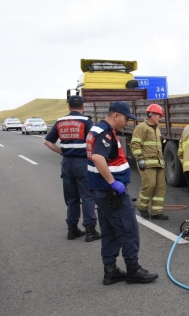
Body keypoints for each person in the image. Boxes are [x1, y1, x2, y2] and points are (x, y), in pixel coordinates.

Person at [87, 101, 158, 285]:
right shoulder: (105, 133)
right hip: (112, 193)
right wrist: (113, 182)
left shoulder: (97, 130)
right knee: (129, 230)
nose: (127, 122)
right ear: (116, 115)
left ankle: (110, 270)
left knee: (110, 231)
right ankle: (133, 269)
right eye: (126, 118)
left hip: (102, 193)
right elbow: (97, 157)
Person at [43, 95, 100, 242]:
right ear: (83, 107)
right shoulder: (86, 121)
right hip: (82, 163)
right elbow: (94, 142)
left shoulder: (60, 121)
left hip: (67, 163)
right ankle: (90, 230)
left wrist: (62, 152)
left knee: (72, 198)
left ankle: (72, 229)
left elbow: (47, 141)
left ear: (68, 107)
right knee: (87, 197)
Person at [131, 104, 168, 220]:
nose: (160, 118)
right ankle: (142, 207)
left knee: (160, 187)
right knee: (149, 185)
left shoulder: (156, 128)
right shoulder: (141, 128)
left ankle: (156, 212)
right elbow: (135, 144)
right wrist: (140, 159)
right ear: (151, 115)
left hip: (158, 163)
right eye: (159, 115)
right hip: (147, 163)